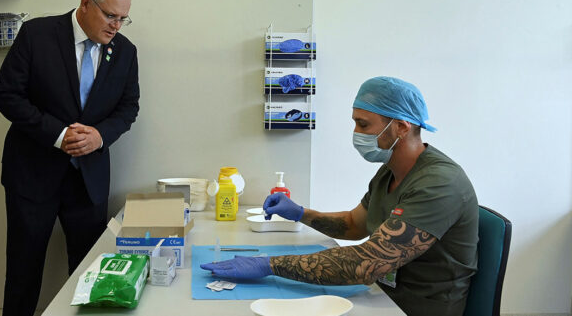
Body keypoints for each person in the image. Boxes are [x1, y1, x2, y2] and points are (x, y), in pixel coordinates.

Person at [201, 76, 478, 316]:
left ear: (401, 127)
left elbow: (365, 263)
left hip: (415, 308)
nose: (356, 133)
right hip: (381, 295)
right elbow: (353, 224)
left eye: (364, 124)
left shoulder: (439, 183)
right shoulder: (389, 172)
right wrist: (300, 213)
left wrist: (268, 265)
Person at [0, 0, 139, 316]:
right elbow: (6, 95)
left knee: (89, 274)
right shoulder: (37, 35)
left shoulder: (125, 51)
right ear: (86, 3)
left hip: (88, 182)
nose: (117, 26)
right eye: (110, 16)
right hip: (32, 177)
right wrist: (58, 135)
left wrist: (100, 136)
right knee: (23, 273)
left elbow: (128, 107)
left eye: (123, 18)